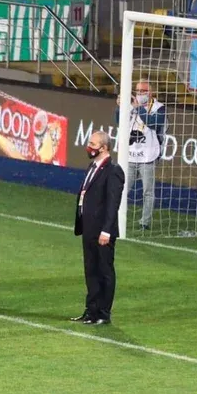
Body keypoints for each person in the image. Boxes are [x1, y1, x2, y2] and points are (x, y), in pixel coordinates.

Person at [72, 130, 125, 326]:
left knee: (104, 271)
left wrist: (106, 230)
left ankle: (104, 313)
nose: (89, 147)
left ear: (104, 147)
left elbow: (113, 204)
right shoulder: (93, 166)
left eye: (93, 144)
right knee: (91, 270)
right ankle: (91, 311)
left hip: (102, 231)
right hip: (88, 228)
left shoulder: (113, 171)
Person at [116, 80, 166, 230]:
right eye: (137, 90)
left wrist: (138, 108)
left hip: (147, 157)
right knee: (122, 189)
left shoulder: (159, 108)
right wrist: (119, 107)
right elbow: (119, 121)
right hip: (130, 156)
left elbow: (154, 123)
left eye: (143, 91)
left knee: (148, 192)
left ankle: (145, 222)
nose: (139, 93)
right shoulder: (130, 105)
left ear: (151, 93)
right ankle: (116, 218)